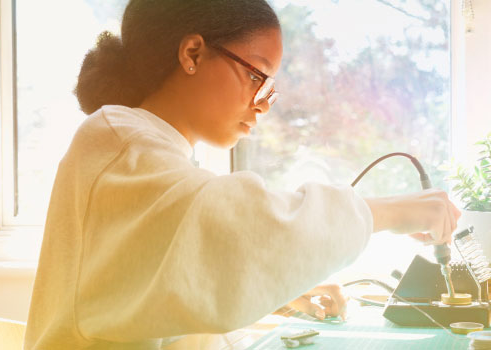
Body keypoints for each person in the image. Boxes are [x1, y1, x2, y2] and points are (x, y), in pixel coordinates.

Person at [24, 0, 461, 349]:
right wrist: (390, 211)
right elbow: (229, 223)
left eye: (270, 86)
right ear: (192, 53)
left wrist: (274, 287)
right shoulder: (117, 139)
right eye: (257, 76)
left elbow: (148, 279)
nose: (265, 102)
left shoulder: (148, 148)